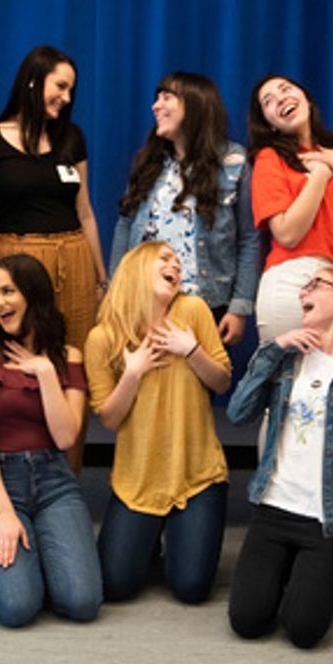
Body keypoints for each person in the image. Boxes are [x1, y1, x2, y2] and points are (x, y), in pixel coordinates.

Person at [0, 46, 105, 470]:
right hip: (17, 258)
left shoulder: (71, 137)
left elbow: (85, 213)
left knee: (72, 365)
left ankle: (69, 476)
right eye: (59, 86)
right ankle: (15, 471)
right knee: (16, 364)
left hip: (75, 258)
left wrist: (102, 279)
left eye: (71, 90)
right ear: (33, 81)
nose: (66, 97)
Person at [226, 267, 333, 649]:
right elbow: (238, 413)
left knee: (305, 630)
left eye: (315, 285)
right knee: (247, 620)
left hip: (326, 520)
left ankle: (303, 573)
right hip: (273, 507)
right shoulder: (287, 360)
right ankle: (287, 570)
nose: (303, 292)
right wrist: (274, 349)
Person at [0, 254, 103, 627]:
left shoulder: (68, 356)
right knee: (18, 608)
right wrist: (4, 511)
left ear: (33, 294)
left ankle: (34, 547)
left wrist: (46, 374)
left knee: (82, 602)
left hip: (54, 481)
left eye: (8, 291)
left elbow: (66, 436)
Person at [85, 241, 232, 603]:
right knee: (115, 586)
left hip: (197, 475)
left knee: (191, 589)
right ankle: (150, 536)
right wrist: (132, 373)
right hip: (138, 479)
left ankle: (172, 534)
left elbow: (222, 380)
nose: (176, 267)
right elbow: (109, 418)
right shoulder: (102, 337)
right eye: (165, 259)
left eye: (179, 263)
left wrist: (192, 351)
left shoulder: (193, 310)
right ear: (136, 268)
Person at [111, 72, 259, 347]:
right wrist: (114, 290)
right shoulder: (149, 162)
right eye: (156, 98)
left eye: (166, 97)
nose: (156, 105)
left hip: (205, 304)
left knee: (195, 386)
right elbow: (125, 224)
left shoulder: (234, 161)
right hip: (143, 301)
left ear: (195, 104)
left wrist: (239, 307)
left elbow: (250, 239)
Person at [248, 75, 333, 342]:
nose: (280, 98)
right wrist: (319, 177)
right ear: (268, 122)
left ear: (306, 97)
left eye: (286, 89)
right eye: (268, 101)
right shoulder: (270, 159)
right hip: (295, 280)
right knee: (293, 381)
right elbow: (287, 235)